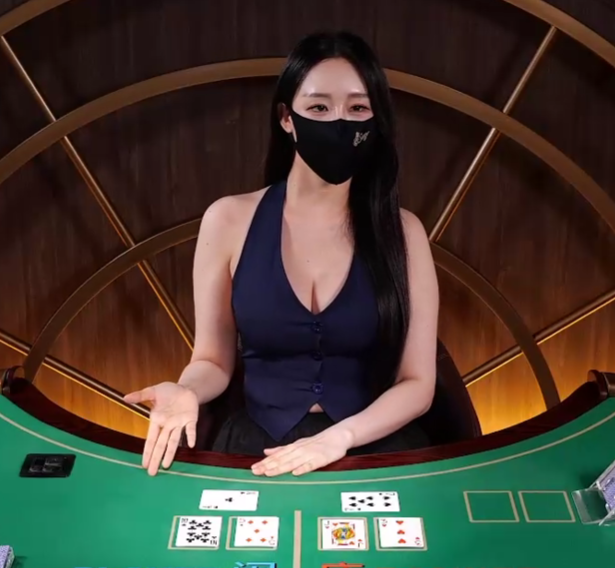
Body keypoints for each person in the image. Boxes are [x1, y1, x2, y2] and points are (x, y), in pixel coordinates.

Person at [124, 30, 440, 477]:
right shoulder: (228, 219)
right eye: (319, 108)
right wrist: (186, 390)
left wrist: (340, 438)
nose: (339, 122)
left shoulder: (405, 232)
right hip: (254, 444)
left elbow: (418, 384)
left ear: (375, 121)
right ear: (287, 118)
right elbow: (212, 360)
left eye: (357, 108)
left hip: (374, 446)